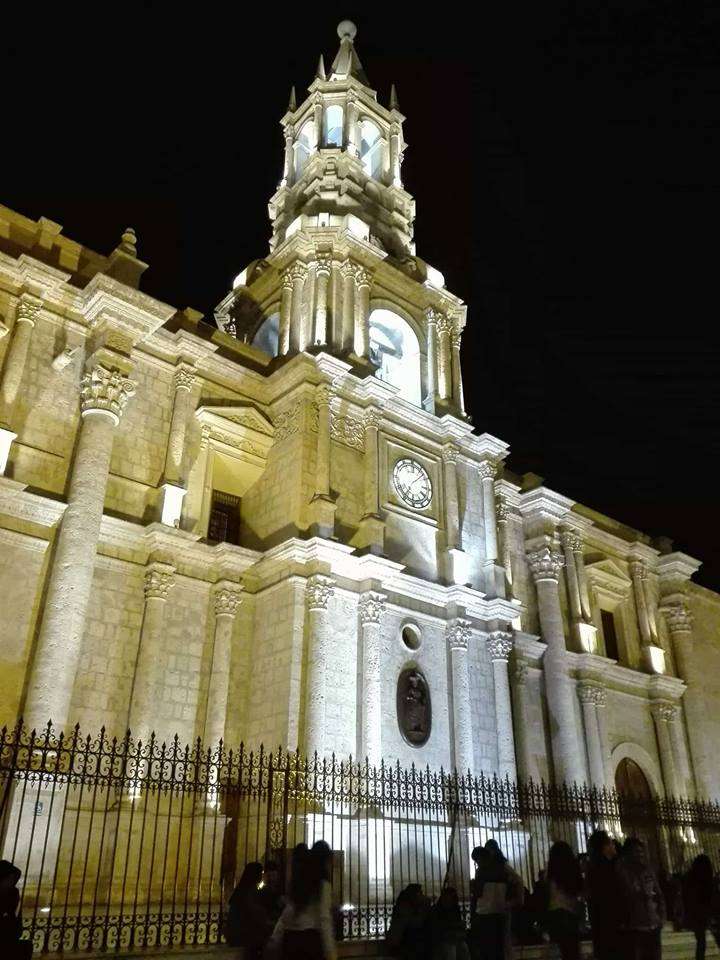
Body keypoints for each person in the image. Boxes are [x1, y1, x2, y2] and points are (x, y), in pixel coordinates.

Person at [270, 842, 336, 960]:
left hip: (290, 939)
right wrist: (331, 951)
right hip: (309, 940)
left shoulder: (300, 881)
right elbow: (324, 918)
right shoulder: (322, 884)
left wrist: (275, 938)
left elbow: (287, 913)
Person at [469, 841, 522, 960]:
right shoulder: (502, 869)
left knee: (488, 948)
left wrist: (473, 886)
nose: (477, 863)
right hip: (499, 912)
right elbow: (515, 883)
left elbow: (478, 894)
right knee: (500, 947)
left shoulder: (483, 872)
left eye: (477, 860)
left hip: (485, 914)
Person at [615, 837, 665, 960]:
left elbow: (659, 895)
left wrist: (662, 917)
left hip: (653, 924)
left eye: (641, 851)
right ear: (629, 853)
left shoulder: (649, 871)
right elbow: (626, 895)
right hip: (636, 927)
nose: (640, 855)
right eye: (636, 851)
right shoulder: (623, 872)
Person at [545, 841, 583, 960]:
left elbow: (548, 896)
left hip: (555, 914)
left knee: (561, 951)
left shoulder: (551, 873)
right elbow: (580, 892)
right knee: (572, 952)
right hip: (571, 913)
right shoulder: (573, 872)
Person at [226, 861, 271, 958]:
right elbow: (255, 912)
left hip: (240, 932)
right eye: (261, 873)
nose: (262, 875)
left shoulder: (244, 888)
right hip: (245, 934)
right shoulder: (250, 891)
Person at [586, 830, 619, 960]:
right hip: (611, 922)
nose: (614, 846)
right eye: (611, 843)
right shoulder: (607, 868)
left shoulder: (594, 866)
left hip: (601, 923)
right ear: (604, 847)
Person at [682, 854, 720, 960]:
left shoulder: (690, 879)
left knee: (701, 942)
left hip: (697, 916)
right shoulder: (707, 879)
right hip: (708, 914)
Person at [386, 883, 430, 959]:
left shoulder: (413, 905)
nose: (422, 895)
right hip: (405, 945)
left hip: (408, 944)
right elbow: (416, 923)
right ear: (414, 895)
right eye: (420, 893)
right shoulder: (404, 907)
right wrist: (425, 905)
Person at [0, 860, 31, 960]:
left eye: (12, 878)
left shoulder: (13, 893)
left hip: (10, 934)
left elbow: (14, 915)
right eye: (8, 878)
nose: (11, 881)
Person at [429, 886, 469, 960]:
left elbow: (459, 927)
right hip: (441, 939)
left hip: (453, 937)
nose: (450, 900)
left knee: (463, 947)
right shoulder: (436, 910)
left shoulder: (454, 909)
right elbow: (436, 928)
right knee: (450, 949)